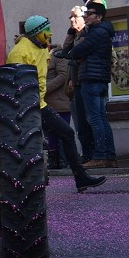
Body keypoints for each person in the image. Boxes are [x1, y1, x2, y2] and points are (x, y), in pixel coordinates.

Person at [7, 16, 106, 193]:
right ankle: (24, 186)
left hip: (40, 105)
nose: (50, 34)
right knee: (30, 146)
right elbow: (13, 84)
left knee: (67, 133)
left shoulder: (43, 48)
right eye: (47, 31)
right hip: (24, 108)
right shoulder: (20, 51)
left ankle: (80, 178)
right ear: (37, 33)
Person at [54, 1, 117, 167]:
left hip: (91, 79)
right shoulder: (101, 31)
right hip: (97, 79)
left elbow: (75, 52)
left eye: (89, 14)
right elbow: (73, 52)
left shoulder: (97, 32)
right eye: (85, 13)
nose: (85, 16)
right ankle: (109, 157)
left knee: (95, 119)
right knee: (101, 119)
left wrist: (74, 53)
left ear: (99, 17)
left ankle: (101, 156)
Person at [64, 6, 94, 162]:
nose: (72, 20)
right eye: (70, 17)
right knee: (80, 124)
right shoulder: (75, 36)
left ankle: (95, 154)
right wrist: (70, 32)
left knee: (91, 121)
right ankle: (87, 154)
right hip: (76, 84)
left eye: (75, 16)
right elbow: (65, 50)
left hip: (87, 82)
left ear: (84, 18)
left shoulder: (89, 35)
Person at [44, 41, 72, 170]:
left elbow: (63, 76)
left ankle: (63, 160)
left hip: (59, 101)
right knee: (50, 134)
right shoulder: (39, 55)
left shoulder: (57, 55)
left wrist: (44, 88)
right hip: (46, 101)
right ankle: (54, 160)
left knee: (62, 132)